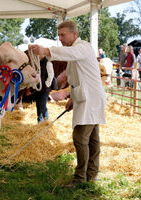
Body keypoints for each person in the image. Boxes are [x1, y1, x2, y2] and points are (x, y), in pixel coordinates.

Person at [30, 20, 106, 188]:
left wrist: (45, 50)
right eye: (59, 35)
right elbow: (76, 79)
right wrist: (72, 96)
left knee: (80, 138)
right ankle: (91, 175)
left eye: (63, 35)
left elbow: (69, 54)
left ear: (74, 34)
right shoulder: (75, 52)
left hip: (90, 100)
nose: (61, 38)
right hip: (85, 99)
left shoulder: (83, 47)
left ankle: (80, 179)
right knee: (92, 140)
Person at [36, 56, 54, 123]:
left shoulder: (48, 63)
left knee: (42, 104)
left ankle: (44, 120)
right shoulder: (37, 63)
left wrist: (47, 84)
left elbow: (51, 75)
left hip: (45, 88)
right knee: (38, 104)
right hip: (38, 87)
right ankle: (40, 120)